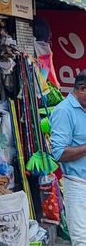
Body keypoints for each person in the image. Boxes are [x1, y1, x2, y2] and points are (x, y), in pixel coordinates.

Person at [50, 70, 86, 245]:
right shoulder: (63, 111)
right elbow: (58, 153)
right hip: (78, 186)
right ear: (82, 89)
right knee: (81, 240)